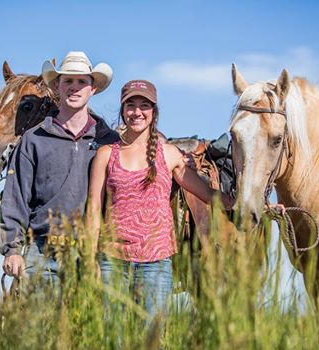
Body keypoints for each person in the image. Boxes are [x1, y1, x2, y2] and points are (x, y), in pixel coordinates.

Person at [87, 80, 233, 318]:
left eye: (144, 105)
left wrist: (249, 203)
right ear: (122, 111)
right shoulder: (105, 155)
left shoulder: (169, 154)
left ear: (154, 112)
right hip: (112, 261)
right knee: (113, 340)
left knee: (152, 339)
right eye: (130, 105)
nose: (137, 112)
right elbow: (94, 211)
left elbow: (207, 195)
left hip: (155, 264)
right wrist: (91, 259)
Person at [0, 51, 120, 282]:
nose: (74, 87)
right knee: (41, 318)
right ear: (57, 86)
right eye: (68, 81)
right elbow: (16, 196)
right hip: (42, 251)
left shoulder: (109, 141)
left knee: (92, 318)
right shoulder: (34, 139)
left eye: (82, 81)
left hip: (94, 253)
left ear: (92, 88)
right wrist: (12, 250)